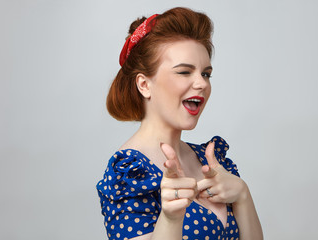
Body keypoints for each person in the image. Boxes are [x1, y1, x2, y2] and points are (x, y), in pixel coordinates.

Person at [96, 7, 263, 240]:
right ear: (144, 85)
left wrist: (243, 195)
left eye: (206, 74)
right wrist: (171, 218)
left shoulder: (212, 161)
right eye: (185, 72)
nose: (201, 84)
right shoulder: (130, 174)